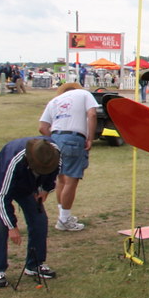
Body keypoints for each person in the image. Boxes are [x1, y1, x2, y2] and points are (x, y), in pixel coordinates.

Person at [0, 137, 61, 287]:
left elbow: (54, 174)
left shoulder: (54, 154)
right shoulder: (13, 161)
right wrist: (12, 227)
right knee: (1, 225)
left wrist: (45, 189)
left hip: (29, 185)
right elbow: (1, 197)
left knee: (39, 220)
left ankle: (34, 265)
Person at [38, 83, 99, 231]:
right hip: (74, 138)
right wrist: (90, 138)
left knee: (61, 179)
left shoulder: (54, 101)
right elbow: (92, 114)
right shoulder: (85, 94)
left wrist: (56, 139)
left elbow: (42, 127)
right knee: (71, 180)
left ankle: (63, 215)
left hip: (56, 138)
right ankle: (64, 219)